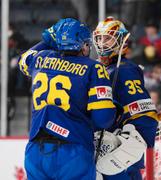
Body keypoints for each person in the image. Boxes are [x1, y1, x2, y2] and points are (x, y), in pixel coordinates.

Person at [18, 18, 116, 180]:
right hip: (73, 151)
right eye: (86, 44)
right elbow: (103, 120)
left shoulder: (40, 59)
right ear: (82, 45)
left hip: (35, 151)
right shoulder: (94, 67)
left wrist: (47, 39)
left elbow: (24, 59)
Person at [93, 17, 159, 180]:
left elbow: (145, 114)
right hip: (103, 149)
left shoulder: (125, 70)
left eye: (108, 38)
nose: (102, 43)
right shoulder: (102, 68)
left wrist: (128, 148)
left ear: (121, 40)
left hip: (117, 156)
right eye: (99, 38)